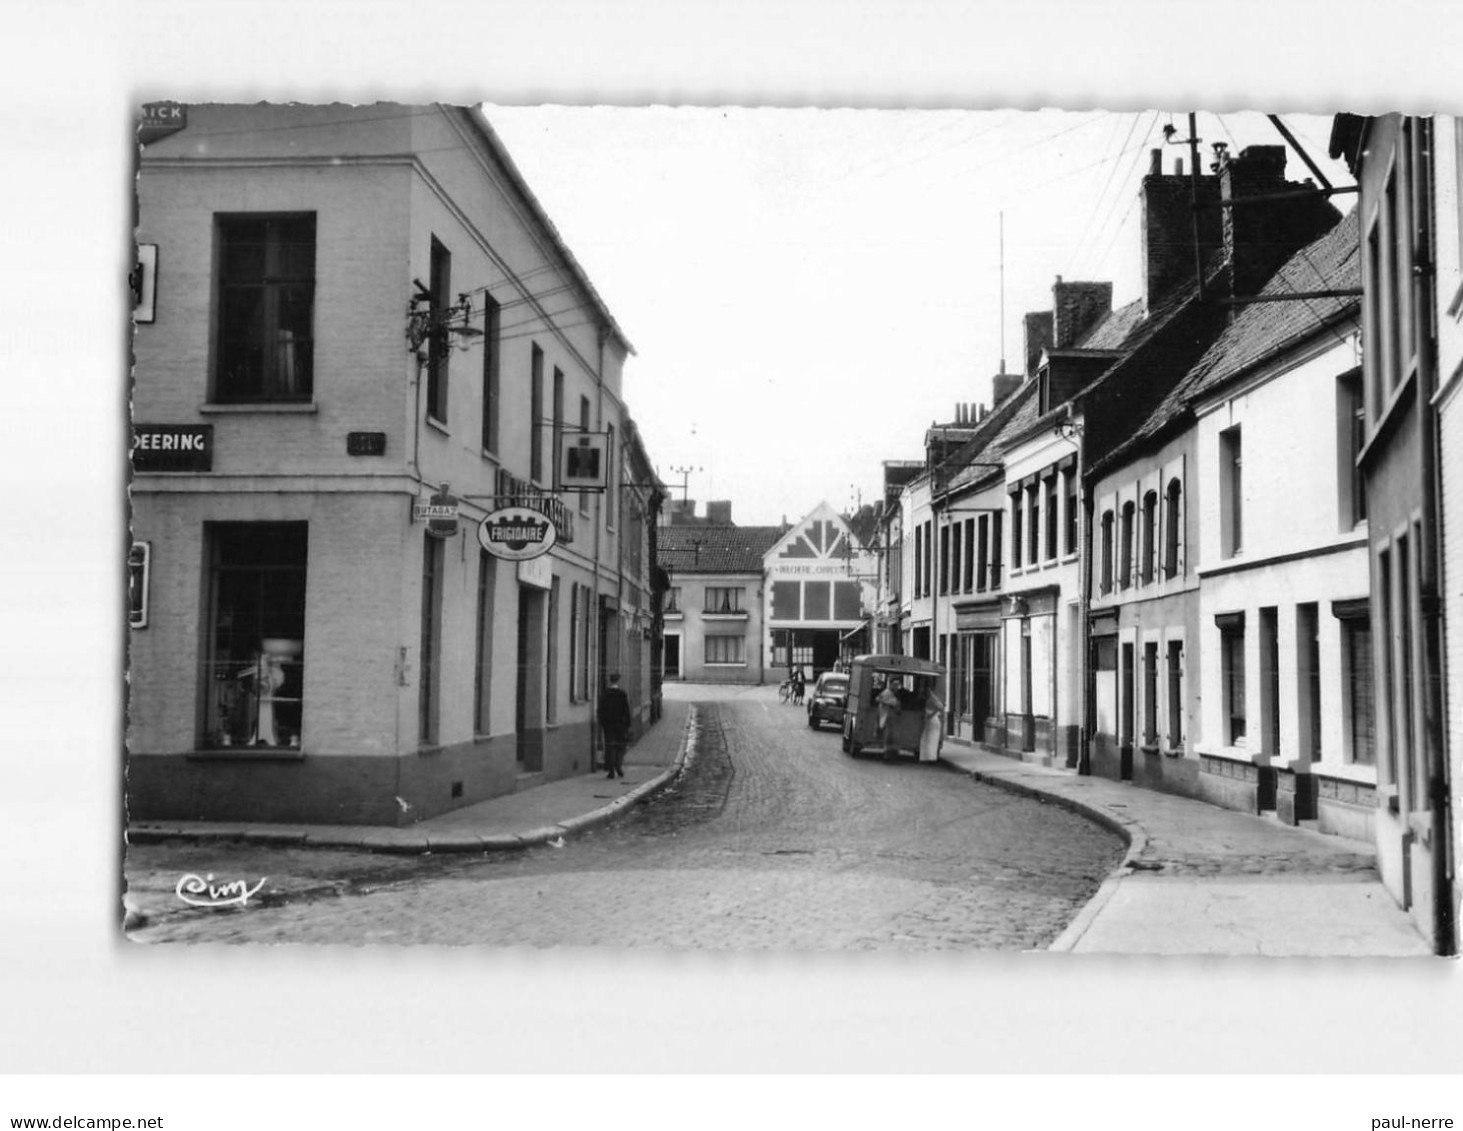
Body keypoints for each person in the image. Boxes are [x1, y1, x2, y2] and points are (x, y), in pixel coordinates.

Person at [598, 672, 632, 779]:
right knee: (620, 746)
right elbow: (626, 710)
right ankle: (619, 766)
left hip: (609, 725)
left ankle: (611, 770)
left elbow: (601, 710)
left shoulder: (605, 694)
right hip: (620, 724)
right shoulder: (622, 694)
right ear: (618, 681)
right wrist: (627, 723)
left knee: (610, 747)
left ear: (609, 681)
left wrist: (602, 722)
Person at [919, 686, 945, 763]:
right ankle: (927, 758)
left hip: (933, 721)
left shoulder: (933, 699)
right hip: (929, 721)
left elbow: (940, 707)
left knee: (932, 740)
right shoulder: (929, 699)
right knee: (926, 740)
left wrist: (932, 714)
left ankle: (931, 758)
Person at [876, 675, 902, 750]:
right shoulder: (887, 692)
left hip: (890, 719)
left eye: (898, 685)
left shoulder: (893, 694)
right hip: (886, 718)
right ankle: (887, 753)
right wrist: (889, 703)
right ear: (891, 685)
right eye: (895, 685)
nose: (897, 687)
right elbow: (878, 699)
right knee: (888, 736)